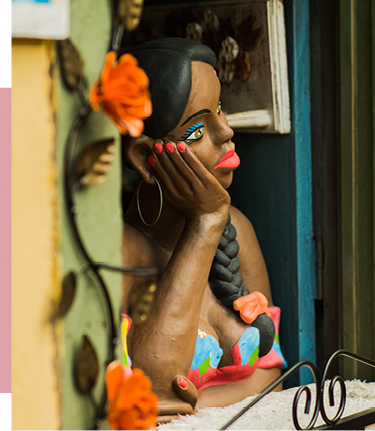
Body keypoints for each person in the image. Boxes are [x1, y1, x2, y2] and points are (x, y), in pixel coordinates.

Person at [121, 38, 286, 418]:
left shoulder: (237, 228)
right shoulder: (121, 252)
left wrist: (196, 407)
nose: (226, 132)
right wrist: (205, 223)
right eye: (196, 131)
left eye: (220, 109)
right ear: (146, 158)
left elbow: (273, 374)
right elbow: (151, 401)